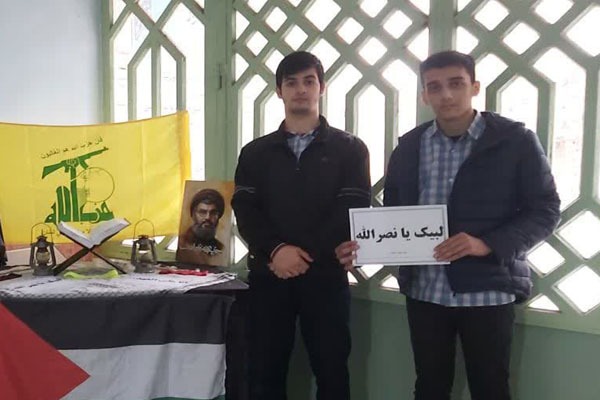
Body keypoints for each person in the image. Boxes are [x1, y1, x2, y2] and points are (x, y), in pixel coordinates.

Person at [336, 50, 560, 400]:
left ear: (474, 87)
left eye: (456, 84)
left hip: (488, 288)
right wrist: (364, 245)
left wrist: (487, 244)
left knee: (490, 387)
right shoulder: (409, 146)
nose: (447, 95)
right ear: (424, 95)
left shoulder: (515, 141)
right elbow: (394, 215)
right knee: (429, 386)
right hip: (425, 290)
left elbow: (546, 209)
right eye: (435, 87)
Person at [232, 51, 371, 400]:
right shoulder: (255, 153)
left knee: (332, 371)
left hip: (326, 276)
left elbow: (351, 207)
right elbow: (245, 210)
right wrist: (277, 251)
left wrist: (302, 255)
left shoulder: (350, 149)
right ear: (279, 91)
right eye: (291, 83)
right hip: (269, 275)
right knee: (264, 372)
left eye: (309, 81)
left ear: (321, 87)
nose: (301, 90)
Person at [179, 188, 225, 255]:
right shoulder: (182, 243)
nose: (207, 217)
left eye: (213, 213)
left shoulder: (220, 248)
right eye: (202, 212)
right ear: (193, 214)